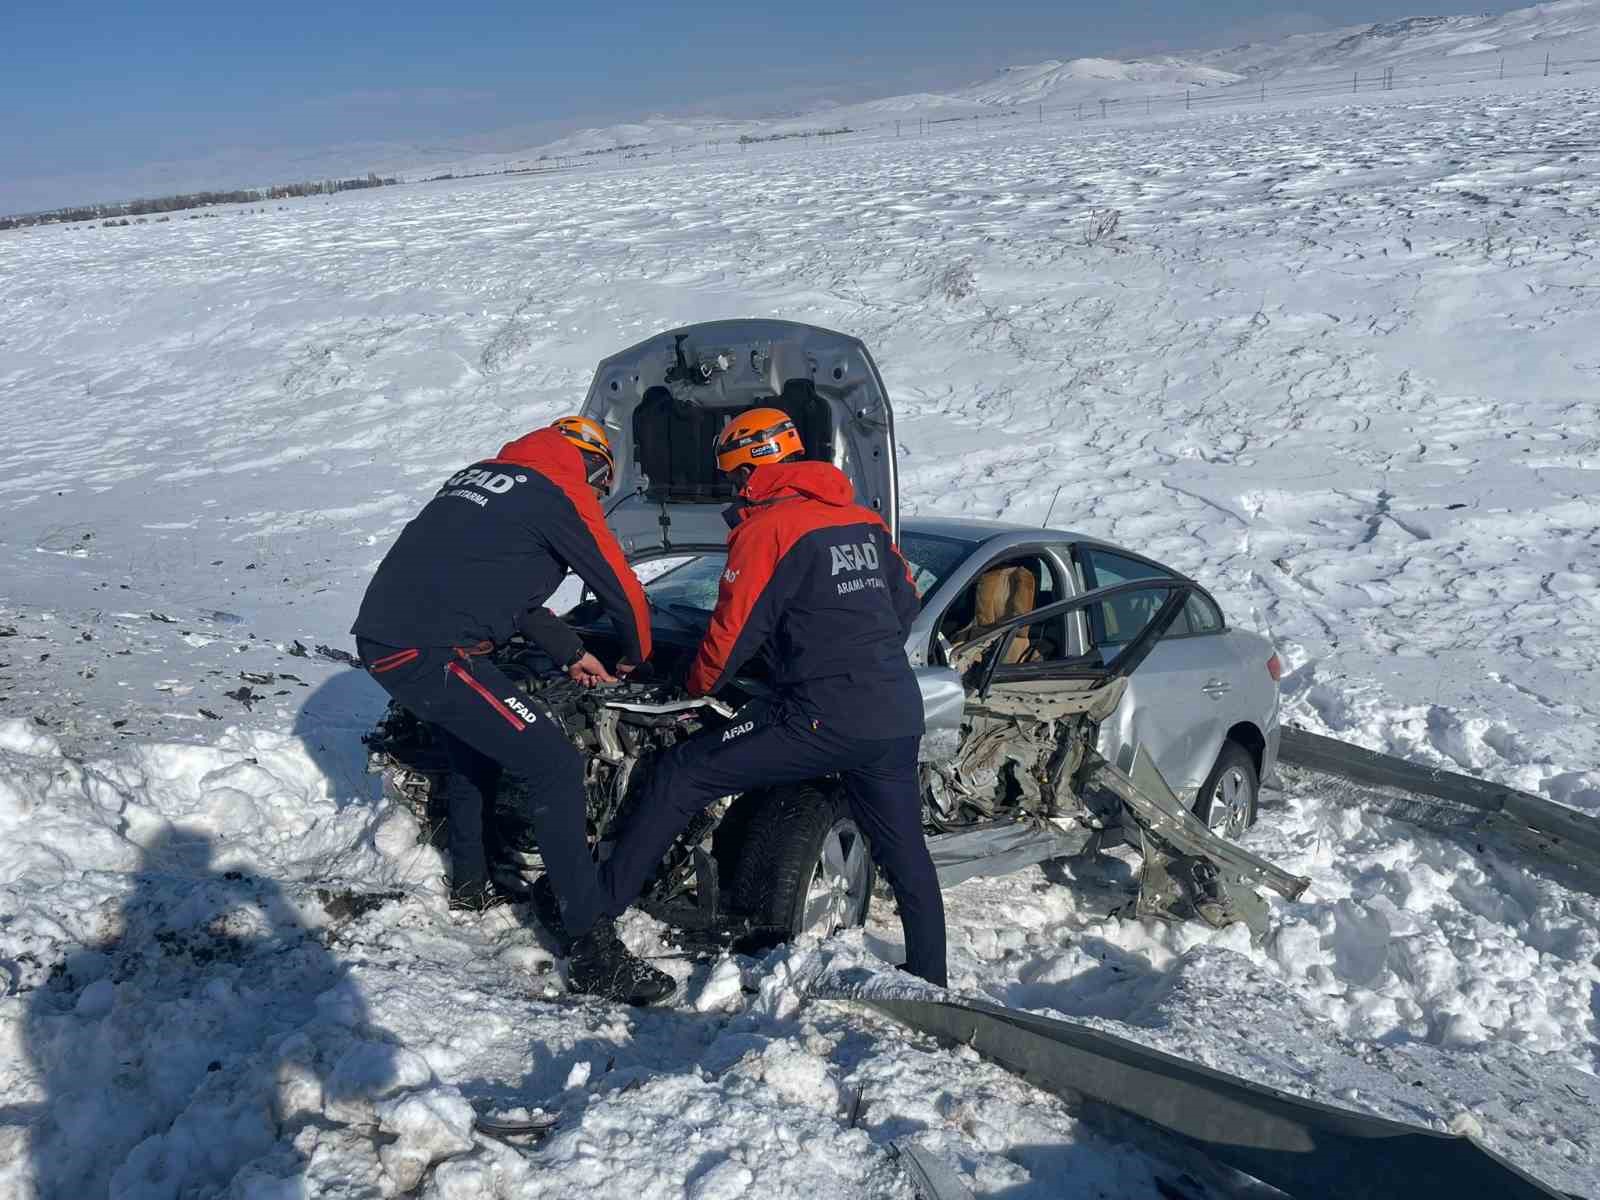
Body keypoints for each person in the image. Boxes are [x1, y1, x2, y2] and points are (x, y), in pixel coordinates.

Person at [599, 408, 948, 987]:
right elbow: (904, 606)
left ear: (749, 466)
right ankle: (931, 978)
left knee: (683, 773)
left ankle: (594, 915)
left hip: (818, 717)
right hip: (893, 713)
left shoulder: (771, 528)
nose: (733, 487)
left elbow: (729, 635)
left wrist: (690, 687)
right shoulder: (862, 520)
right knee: (905, 852)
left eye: (732, 474)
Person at [351, 416, 673, 1005]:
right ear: (595, 465)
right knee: (552, 762)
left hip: (391, 641)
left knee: (475, 751)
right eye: (601, 485)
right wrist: (634, 658)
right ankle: (593, 950)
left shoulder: (483, 478)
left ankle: (471, 887)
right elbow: (623, 594)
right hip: (433, 653)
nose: (599, 497)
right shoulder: (560, 492)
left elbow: (511, 599)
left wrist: (573, 653)